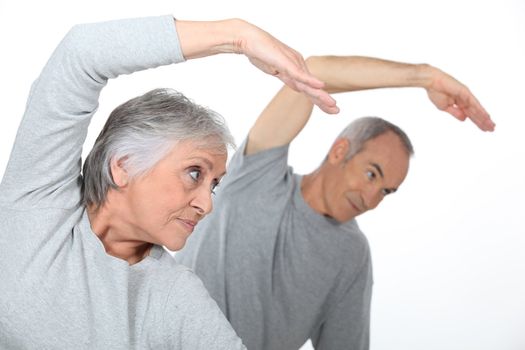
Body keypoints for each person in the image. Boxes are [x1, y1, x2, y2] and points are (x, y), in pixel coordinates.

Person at [0, 15, 336, 349]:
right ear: (124, 166)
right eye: (195, 173)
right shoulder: (37, 202)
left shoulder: (173, 296)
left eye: (214, 184)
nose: (206, 205)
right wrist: (238, 36)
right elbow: (80, 55)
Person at [175, 55, 495, 350]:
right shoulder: (257, 176)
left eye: (386, 191)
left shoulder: (351, 255)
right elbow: (312, 72)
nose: (372, 199)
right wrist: (425, 77)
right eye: (372, 175)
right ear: (340, 150)